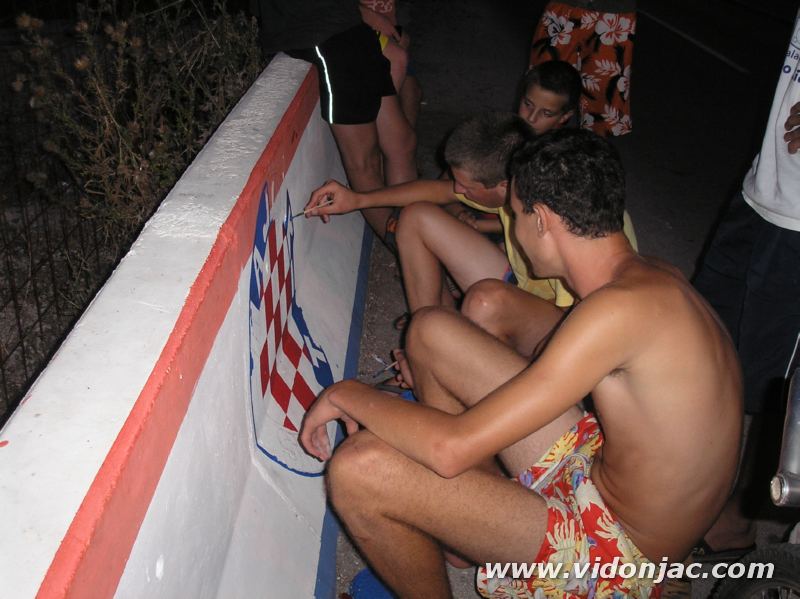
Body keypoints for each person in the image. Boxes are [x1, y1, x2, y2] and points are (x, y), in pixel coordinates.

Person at [299, 129, 742, 598]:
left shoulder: (615, 311)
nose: (511, 228)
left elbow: (450, 450)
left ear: (543, 220)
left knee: (358, 469)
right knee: (430, 330)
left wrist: (347, 395)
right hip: (601, 475)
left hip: (617, 557)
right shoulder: (650, 276)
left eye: (515, 215)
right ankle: (466, 529)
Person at [691, 9, 800, 561]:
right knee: (704, 347)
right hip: (763, 188)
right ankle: (685, 491)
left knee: (777, 388)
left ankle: (738, 521)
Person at [256, 0, 416, 240]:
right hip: (319, 31)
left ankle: (415, 228)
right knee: (364, 162)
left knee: (402, 142)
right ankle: (406, 244)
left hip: (350, 25)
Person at [530, 0, 636, 136]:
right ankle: (531, 142)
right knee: (542, 87)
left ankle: (588, 147)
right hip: (564, 7)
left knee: (603, 106)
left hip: (614, 15)